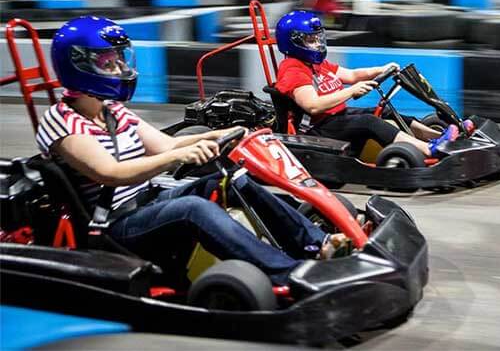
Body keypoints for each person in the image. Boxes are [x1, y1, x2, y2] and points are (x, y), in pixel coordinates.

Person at [36, 16, 345, 286]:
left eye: (119, 58)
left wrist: (223, 134)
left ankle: (318, 244)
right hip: (114, 225)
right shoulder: (61, 122)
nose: (119, 67)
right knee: (194, 208)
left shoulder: (112, 110)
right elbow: (111, 173)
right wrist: (177, 157)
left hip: (149, 202)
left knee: (231, 180)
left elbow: (166, 143)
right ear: (77, 63)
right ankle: (288, 272)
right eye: (108, 61)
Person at [274, 10, 474, 158]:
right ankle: (428, 149)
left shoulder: (318, 64)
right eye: (311, 40)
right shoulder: (293, 70)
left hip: (336, 117)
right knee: (369, 122)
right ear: (294, 42)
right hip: (317, 129)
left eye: (318, 38)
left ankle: (439, 135)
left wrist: (380, 69)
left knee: (384, 110)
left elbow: (351, 75)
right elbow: (313, 105)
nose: (317, 44)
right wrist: (351, 92)